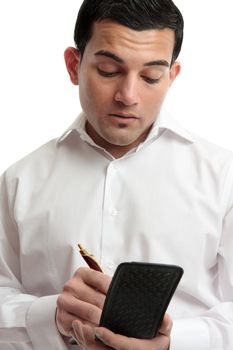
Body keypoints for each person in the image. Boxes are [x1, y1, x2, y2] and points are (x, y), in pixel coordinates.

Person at [0, 0, 233, 349]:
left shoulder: (223, 177)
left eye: (151, 76)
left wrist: (174, 342)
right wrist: (52, 316)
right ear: (73, 65)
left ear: (172, 76)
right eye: (109, 71)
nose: (128, 96)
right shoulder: (21, 180)